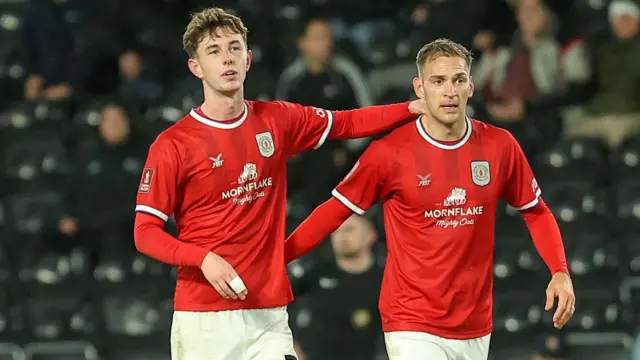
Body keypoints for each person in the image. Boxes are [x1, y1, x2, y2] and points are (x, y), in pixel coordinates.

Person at [132, 7, 427, 360]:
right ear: (196, 67)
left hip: (269, 315)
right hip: (203, 319)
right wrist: (203, 258)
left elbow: (346, 123)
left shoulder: (276, 119)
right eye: (214, 51)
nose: (227, 58)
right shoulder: (173, 144)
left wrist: (412, 108)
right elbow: (144, 232)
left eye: (234, 48)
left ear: (248, 58)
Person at [284, 38, 576, 360]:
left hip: (475, 322)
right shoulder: (390, 153)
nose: (450, 91)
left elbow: (535, 211)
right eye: (438, 81)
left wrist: (559, 271)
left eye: (458, 80)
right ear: (419, 88)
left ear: (471, 86)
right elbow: (333, 212)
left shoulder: (500, 146)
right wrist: (281, 257)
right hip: (411, 320)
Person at [288, 213, 384, 360]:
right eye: (336, 231)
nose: (342, 237)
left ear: (371, 234)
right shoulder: (315, 274)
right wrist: (291, 344)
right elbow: (283, 304)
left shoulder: (384, 280)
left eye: (349, 229)